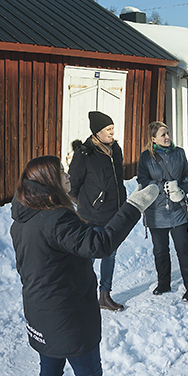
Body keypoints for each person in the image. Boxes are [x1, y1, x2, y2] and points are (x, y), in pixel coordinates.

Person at [10, 155, 159, 376]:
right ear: (50, 182)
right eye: (61, 173)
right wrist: (133, 207)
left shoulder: (23, 218)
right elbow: (101, 245)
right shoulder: (56, 218)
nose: (67, 176)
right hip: (69, 316)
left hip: (39, 313)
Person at [69, 111, 127, 311]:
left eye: (112, 129)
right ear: (97, 132)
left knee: (110, 254)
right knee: (89, 257)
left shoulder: (115, 149)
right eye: (108, 130)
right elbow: (73, 185)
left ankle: (104, 296)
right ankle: (80, 295)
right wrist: (89, 204)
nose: (112, 133)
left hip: (114, 213)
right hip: (93, 216)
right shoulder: (85, 153)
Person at [137, 121, 188, 301]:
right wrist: (163, 186)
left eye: (168, 133)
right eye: (163, 135)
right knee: (160, 250)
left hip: (177, 210)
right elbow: (142, 180)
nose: (167, 137)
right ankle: (164, 283)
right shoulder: (146, 157)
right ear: (153, 139)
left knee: (184, 249)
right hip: (155, 212)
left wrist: (182, 190)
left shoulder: (178, 153)